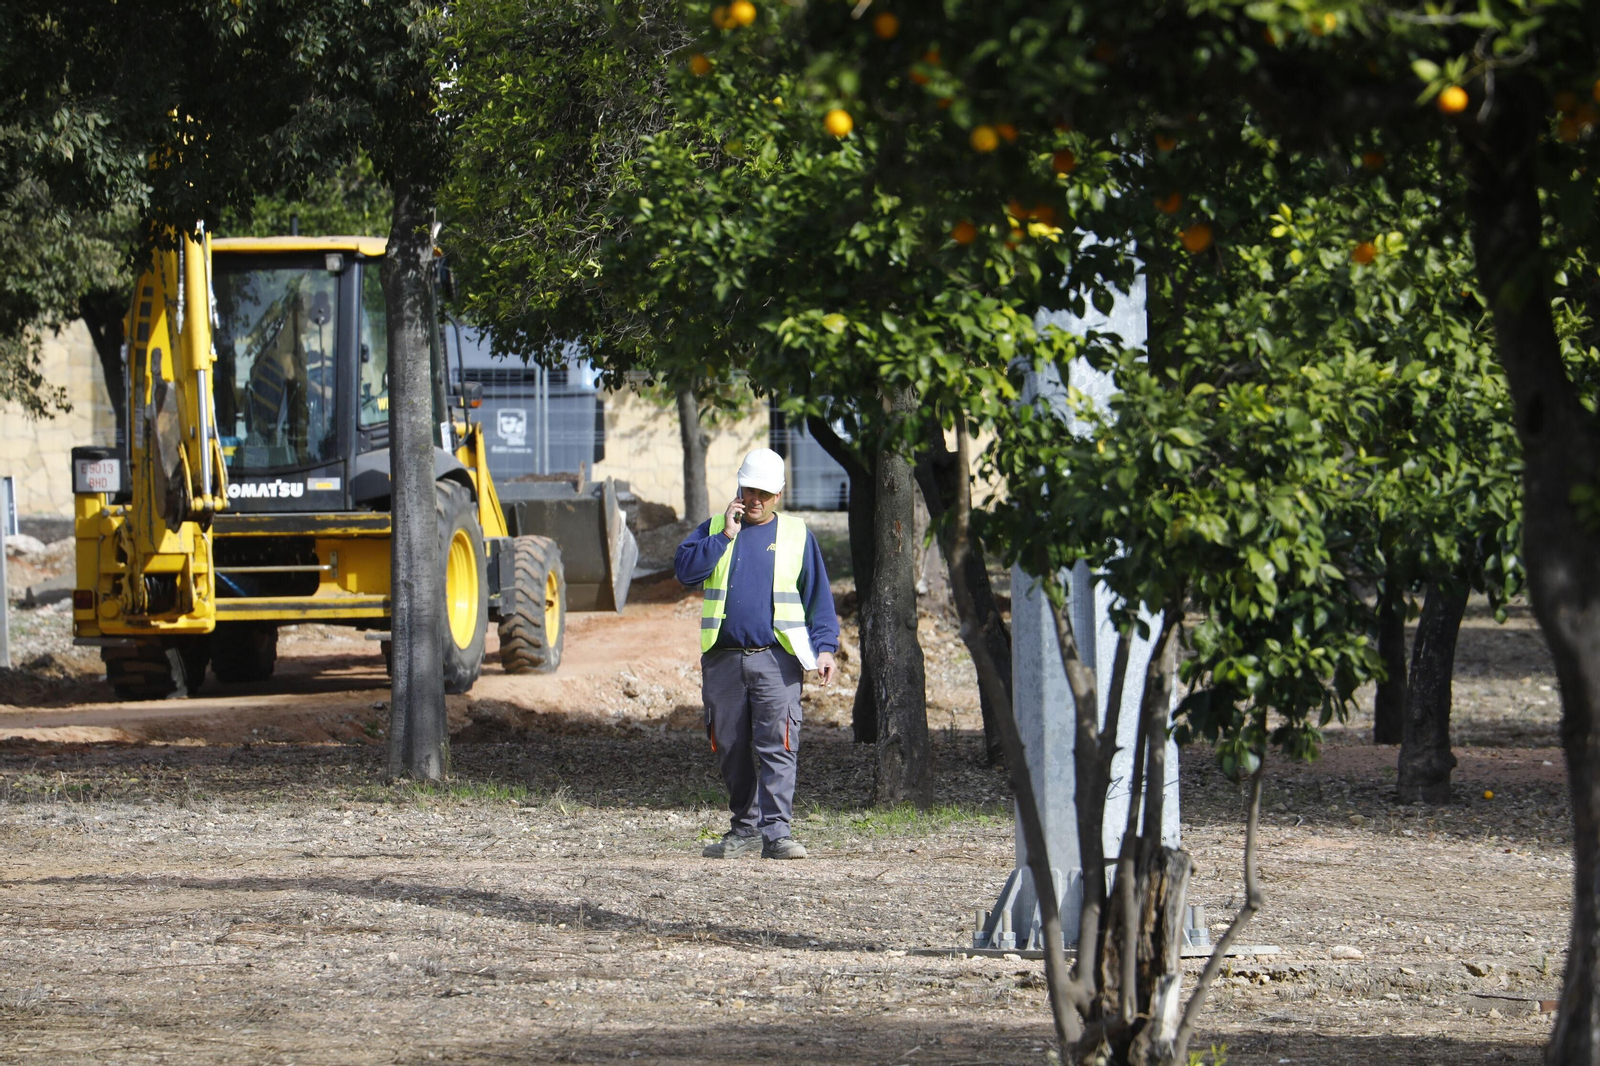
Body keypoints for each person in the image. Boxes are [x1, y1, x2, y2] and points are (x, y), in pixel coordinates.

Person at [675, 447, 839, 860]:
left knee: (778, 746)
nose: (755, 500)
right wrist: (724, 537)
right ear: (740, 486)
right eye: (749, 490)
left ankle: (777, 834)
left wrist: (825, 648)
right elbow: (685, 571)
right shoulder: (716, 528)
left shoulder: (797, 535)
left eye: (764, 493)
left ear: (778, 494)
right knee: (730, 746)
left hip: (777, 659)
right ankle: (745, 828)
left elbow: (818, 598)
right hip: (723, 659)